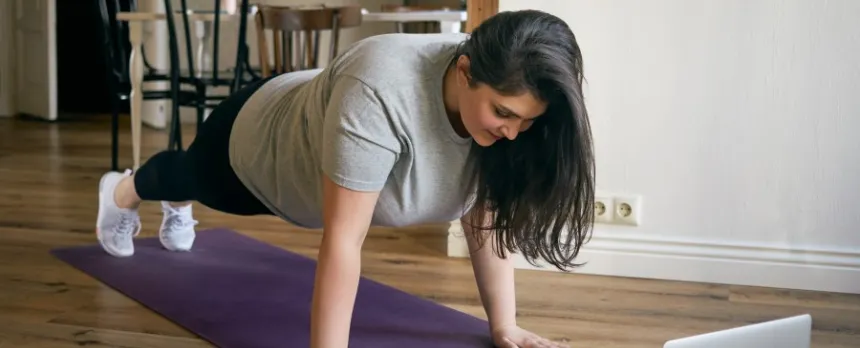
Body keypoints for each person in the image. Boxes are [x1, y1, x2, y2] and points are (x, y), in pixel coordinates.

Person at [95, 9, 594, 348]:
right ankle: (124, 189)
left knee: (188, 184)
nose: (513, 132)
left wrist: (504, 326)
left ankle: (173, 201)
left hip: (323, 111)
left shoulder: (513, 116)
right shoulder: (382, 90)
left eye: (526, 121)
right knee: (189, 178)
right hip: (260, 142)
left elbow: (485, 216)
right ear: (464, 72)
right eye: (503, 113)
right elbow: (343, 241)